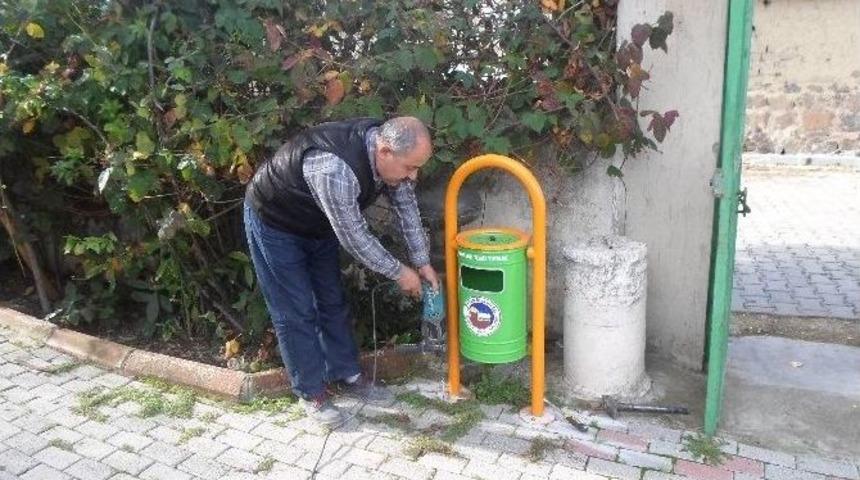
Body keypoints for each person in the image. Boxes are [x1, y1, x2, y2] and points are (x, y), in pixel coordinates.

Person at [243, 116, 439, 425]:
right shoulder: (334, 168)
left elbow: (406, 209)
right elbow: (356, 238)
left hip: (317, 224)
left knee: (332, 300)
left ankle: (347, 375)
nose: (413, 177)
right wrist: (401, 272)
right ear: (385, 151)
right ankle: (312, 395)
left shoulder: (390, 162)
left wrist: (422, 261)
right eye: (410, 168)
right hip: (275, 222)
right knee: (296, 311)